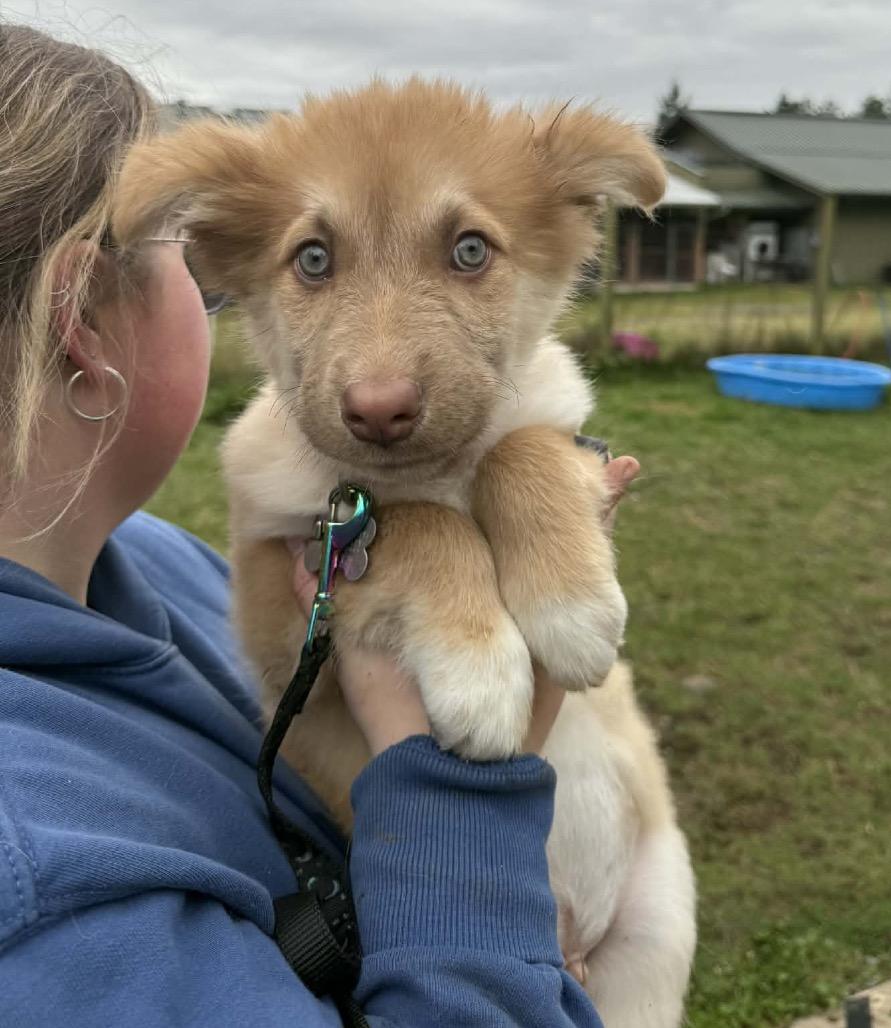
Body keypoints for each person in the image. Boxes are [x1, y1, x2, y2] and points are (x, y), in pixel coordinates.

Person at [0, 24, 639, 1027]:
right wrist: (459, 813)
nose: (378, 375)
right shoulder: (38, 913)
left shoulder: (144, 563)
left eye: (466, 250)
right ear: (81, 313)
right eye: (182, 246)